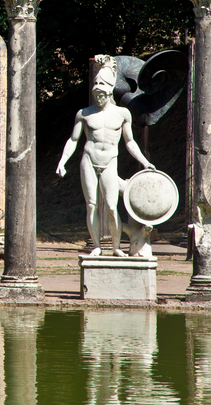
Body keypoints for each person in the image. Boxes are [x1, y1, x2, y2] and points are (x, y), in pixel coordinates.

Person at [56, 55, 153, 256]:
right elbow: (73, 140)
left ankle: (116, 247)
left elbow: (130, 142)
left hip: (109, 161)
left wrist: (144, 162)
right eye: (96, 92)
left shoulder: (122, 114)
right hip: (89, 160)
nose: (98, 97)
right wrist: (62, 162)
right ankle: (97, 246)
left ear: (109, 92)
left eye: (102, 93)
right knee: (91, 205)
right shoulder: (84, 113)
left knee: (111, 206)